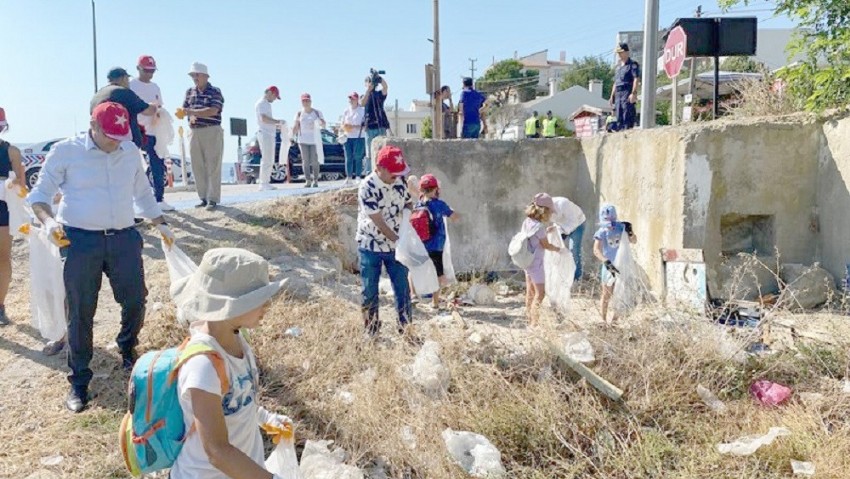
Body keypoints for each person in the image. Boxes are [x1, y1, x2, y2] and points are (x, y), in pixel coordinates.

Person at [27, 102, 176, 413]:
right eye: (109, 136)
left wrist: (160, 223)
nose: (114, 143)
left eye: (119, 137)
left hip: (124, 237)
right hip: (80, 239)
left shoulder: (130, 151)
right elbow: (39, 197)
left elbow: (142, 192)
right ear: (92, 126)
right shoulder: (66, 152)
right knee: (80, 311)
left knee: (135, 299)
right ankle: (79, 381)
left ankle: (126, 346)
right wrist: (49, 222)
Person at [169, 248, 291, 479]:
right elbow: (217, 451)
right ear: (232, 306)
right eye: (258, 299)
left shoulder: (237, 340)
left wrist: (265, 417)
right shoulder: (202, 365)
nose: (267, 305)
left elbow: (236, 400)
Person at [356, 145, 413, 338]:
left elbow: (408, 201)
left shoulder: (399, 182)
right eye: (393, 173)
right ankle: (371, 332)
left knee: (402, 288)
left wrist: (407, 215)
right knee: (369, 290)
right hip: (370, 245)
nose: (397, 177)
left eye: (399, 173)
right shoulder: (368, 187)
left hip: (396, 246)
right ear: (380, 168)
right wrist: (399, 240)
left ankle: (406, 330)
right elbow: (378, 221)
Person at [129, 55, 175, 211]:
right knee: (132, 166)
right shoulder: (130, 85)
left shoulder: (155, 87)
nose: (150, 74)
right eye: (147, 70)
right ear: (138, 68)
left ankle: (159, 198)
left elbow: (159, 105)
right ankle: (132, 202)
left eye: (152, 71)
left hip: (154, 131)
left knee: (157, 164)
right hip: (135, 132)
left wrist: (159, 114)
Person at [179, 62, 225, 210]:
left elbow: (213, 110)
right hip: (194, 131)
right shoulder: (189, 92)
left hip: (211, 130)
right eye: (193, 75)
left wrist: (191, 112)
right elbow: (184, 108)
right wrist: (186, 114)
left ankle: (213, 198)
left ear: (205, 76)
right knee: (197, 165)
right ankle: (203, 197)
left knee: (213, 164)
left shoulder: (215, 91)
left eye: (197, 74)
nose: (194, 77)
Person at [0, 107, 27, 326]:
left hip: (3, 210)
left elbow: (22, 185)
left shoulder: (11, 152)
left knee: (2, 258)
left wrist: (10, 184)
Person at [416, 174, 459, 310]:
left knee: (428, 271)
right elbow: (454, 216)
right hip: (437, 245)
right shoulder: (439, 205)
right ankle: (436, 301)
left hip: (423, 244)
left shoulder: (419, 204)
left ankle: (426, 297)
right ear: (435, 189)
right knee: (438, 274)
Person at [91, 67, 157, 148]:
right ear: (123, 78)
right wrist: (155, 105)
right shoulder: (124, 92)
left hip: (100, 142)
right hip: (123, 145)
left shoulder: (97, 96)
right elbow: (148, 110)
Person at [593, 204, 637, 324]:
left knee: (620, 293)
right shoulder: (601, 231)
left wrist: (630, 232)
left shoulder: (621, 227)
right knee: (606, 294)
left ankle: (615, 321)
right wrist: (605, 261)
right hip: (609, 266)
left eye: (611, 222)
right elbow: (596, 250)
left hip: (622, 265)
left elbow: (634, 241)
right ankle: (602, 320)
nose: (610, 226)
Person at [521, 193, 561, 323]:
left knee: (530, 291)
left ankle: (528, 318)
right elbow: (545, 245)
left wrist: (545, 232)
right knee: (540, 293)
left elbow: (533, 237)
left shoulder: (527, 221)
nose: (550, 215)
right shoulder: (539, 227)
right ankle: (534, 323)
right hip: (536, 264)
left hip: (526, 261)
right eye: (549, 211)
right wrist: (559, 249)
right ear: (544, 211)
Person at [291, 93, 326, 188]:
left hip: (315, 140)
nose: (306, 102)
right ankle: (307, 180)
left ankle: (315, 180)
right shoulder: (299, 113)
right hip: (303, 140)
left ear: (310, 101)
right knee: (305, 160)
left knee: (315, 161)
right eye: (303, 101)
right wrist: (291, 136)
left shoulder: (317, 112)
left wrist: (318, 122)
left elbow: (323, 124)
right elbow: (296, 126)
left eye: (307, 100)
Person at [255, 86, 285, 191]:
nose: (274, 99)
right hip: (265, 133)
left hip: (269, 134)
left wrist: (277, 125)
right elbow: (264, 119)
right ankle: (263, 183)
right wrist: (278, 122)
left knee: (270, 159)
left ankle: (266, 182)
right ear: (270, 93)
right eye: (275, 96)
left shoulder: (266, 104)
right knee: (267, 159)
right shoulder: (262, 103)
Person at [551, 196, 586, 281]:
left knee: (574, 250)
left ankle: (577, 278)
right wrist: (555, 230)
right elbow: (557, 221)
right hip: (563, 226)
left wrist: (564, 232)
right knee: (555, 249)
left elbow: (573, 222)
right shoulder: (545, 210)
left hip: (578, 224)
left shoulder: (563, 204)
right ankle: (561, 275)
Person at [361, 74, 390, 173]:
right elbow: (362, 103)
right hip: (369, 127)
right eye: (368, 81)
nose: (370, 84)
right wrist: (368, 90)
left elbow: (385, 87)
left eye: (371, 82)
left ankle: (383, 171)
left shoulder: (379, 94)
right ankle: (370, 172)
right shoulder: (365, 95)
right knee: (369, 151)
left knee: (382, 150)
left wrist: (379, 79)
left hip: (380, 125)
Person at [609, 43, 641, 131]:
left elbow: (636, 78)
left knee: (627, 114)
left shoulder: (632, 65)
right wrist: (612, 95)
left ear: (627, 52)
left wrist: (633, 93)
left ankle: (627, 131)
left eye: (621, 52)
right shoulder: (618, 67)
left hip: (627, 91)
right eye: (618, 53)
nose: (619, 55)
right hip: (618, 94)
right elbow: (616, 82)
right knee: (618, 116)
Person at [341, 92, 366, 184]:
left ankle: (358, 176)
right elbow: (342, 124)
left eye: (353, 99)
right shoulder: (346, 111)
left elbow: (365, 125)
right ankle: (348, 177)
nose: (351, 100)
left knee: (358, 156)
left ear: (357, 100)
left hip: (359, 136)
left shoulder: (362, 110)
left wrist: (354, 127)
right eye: (350, 99)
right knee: (348, 157)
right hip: (348, 136)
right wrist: (345, 127)